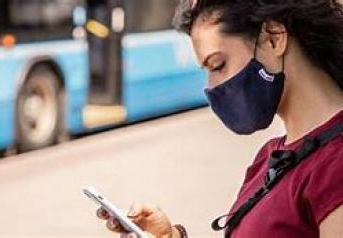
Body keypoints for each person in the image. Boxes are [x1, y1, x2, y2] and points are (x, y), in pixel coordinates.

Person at [96, 0, 343, 237]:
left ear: (273, 38)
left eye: (218, 65)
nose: (211, 87)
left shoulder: (334, 166)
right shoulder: (271, 158)